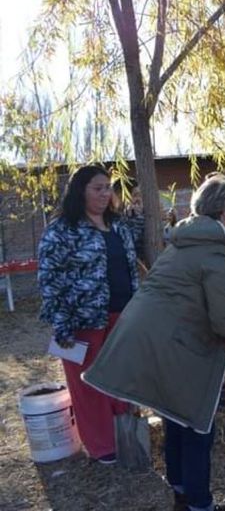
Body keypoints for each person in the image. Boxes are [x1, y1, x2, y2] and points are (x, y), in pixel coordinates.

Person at [83, 175, 225, 511]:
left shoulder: (186, 242)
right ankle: (200, 504)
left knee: (175, 420)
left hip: (153, 340)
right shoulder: (218, 253)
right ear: (224, 214)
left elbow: (189, 296)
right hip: (176, 347)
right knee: (197, 428)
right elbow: (221, 323)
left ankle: (181, 493)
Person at [37, 165, 138, 465]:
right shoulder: (61, 230)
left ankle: (127, 438)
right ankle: (102, 445)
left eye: (108, 187)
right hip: (82, 321)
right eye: (98, 188)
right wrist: (61, 322)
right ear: (80, 191)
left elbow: (130, 267)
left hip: (122, 315)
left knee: (120, 380)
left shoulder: (118, 226)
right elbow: (49, 279)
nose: (106, 193)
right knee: (88, 385)